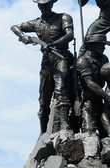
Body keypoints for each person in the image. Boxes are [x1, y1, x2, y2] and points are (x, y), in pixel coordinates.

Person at [11, 0, 74, 134]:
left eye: (47, 4)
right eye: (42, 5)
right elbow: (14, 27)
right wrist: (23, 36)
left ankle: (64, 124)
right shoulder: (36, 23)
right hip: (46, 62)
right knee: (43, 98)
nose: (44, 7)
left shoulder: (63, 17)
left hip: (61, 58)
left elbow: (70, 35)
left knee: (60, 89)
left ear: (52, 4)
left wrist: (54, 44)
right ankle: (43, 132)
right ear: (38, 6)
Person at [76, 34, 110, 137]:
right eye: (101, 45)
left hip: (100, 98)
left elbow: (109, 79)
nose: (104, 48)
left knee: (106, 132)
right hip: (86, 100)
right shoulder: (83, 61)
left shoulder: (104, 59)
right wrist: (108, 98)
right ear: (94, 46)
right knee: (89, 130)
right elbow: (90, 84)